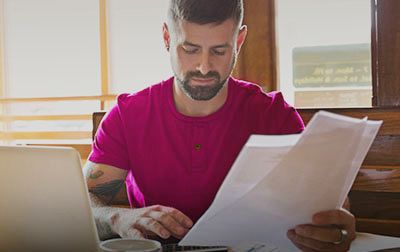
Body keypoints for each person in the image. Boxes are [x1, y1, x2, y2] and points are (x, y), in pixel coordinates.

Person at [84, 0, 356, 251]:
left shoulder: (274, 115)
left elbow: (331, 208)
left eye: (219, 50)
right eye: (189, 49)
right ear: (167, 38)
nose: (204, 67)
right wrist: (118, 217)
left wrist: (336, 230)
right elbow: (84, 203)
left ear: (239, 40)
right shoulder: (127, 116)